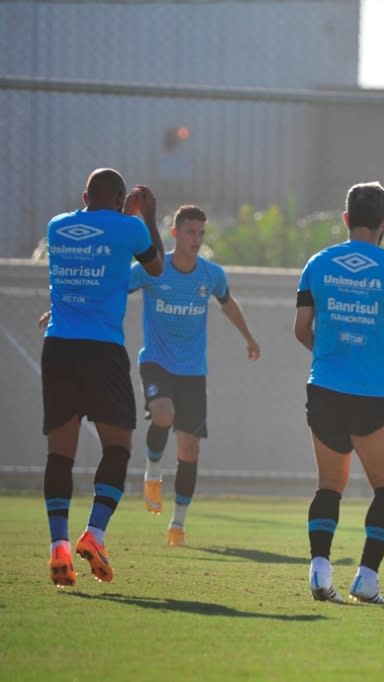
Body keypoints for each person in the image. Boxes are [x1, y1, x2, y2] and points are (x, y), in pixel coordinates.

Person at [294, 181, 384, 604]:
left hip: (324, 388)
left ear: (345, 219)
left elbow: (300, 329)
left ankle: (319, 571)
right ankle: (366, 578)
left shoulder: (317, 263)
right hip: (372, 395)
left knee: (329, 485)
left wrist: (332, 356)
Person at [41, 168, 164, 586]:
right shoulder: (129, 227)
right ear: (120, 198)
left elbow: (89, 234)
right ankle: (94, 535)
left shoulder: (58, 226)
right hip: (102, 351)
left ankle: (58, 545)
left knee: (60, 454)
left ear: (84, 195)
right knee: (118, 445)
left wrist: (114, 210)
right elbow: (157, 267)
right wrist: (145, 216)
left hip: (58, 347)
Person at [129, 204, 261, 546]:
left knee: (189, 450)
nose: (197, 239)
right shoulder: (152, 270)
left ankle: (178, 524)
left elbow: (228, 303)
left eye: (201, 233)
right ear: (175, 233)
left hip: (192, 371)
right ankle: (152, 472)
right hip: (157, 360)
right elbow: (114, 286)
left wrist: (248, 337)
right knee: (162, 413)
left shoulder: (211, 275)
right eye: (190, 232)